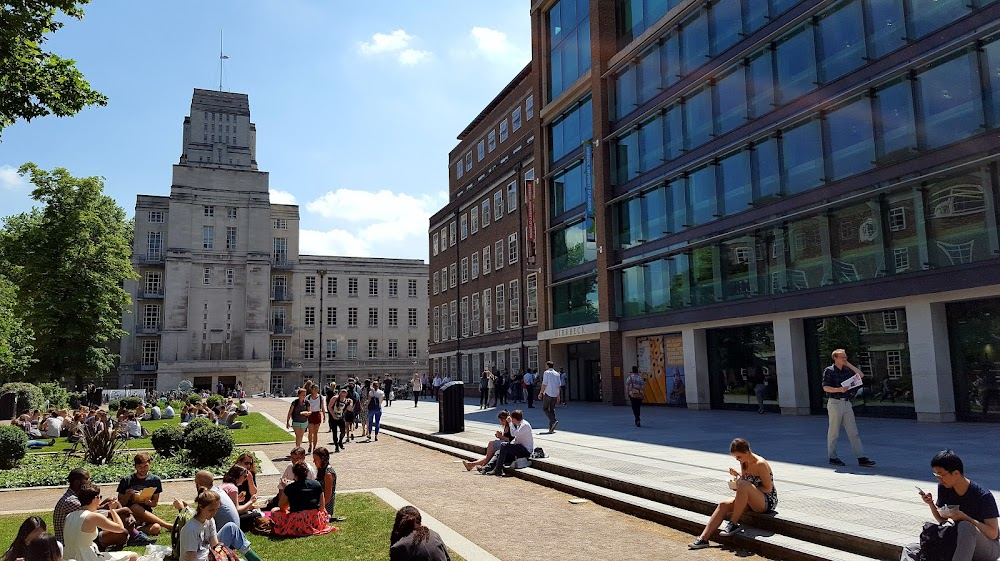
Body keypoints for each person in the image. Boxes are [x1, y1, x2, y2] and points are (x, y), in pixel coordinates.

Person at [689, 438, 778, 549]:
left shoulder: (760, 464)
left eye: (739, 456)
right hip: (752, 498)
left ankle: (733, 523)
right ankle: (703, 538)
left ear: (747, 452)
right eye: (735, 457)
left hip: (766, 501)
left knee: (743, 484)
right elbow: (746, 482)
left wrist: (745, 488)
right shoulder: (744, 462)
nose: (737, 459)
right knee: (723, 505)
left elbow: (768, 489)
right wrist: (739, 483)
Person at [916, 450, 999, 561]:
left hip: (989, 547)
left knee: (965, 526)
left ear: (956, 473)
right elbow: (942, 520)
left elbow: (993, 533)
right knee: (911, 549)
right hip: (960, 540)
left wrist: (966, 518)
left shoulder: (983, 496)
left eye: (941, 475)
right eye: (936, 475)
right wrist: (931, 504)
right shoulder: (944, 488)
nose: (939, 479)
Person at [172, 471, 262, 560]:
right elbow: (192, 558)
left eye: (216, 510)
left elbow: (215, 546)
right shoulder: (191, 529)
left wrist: (223, 557)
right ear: (201, 506)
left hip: (210, 556)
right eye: (211, 510)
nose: (214, 513)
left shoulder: (210, 520)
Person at [54, 468, 145, 549]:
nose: (90, 481)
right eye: (87, 479)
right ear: (77, 482)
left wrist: (108, 507)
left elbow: (92, 512)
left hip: (80, 536)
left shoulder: (76, 497)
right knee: (122, 532)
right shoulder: (71, 501)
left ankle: (133, 533)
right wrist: (118, 510)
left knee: (113, 503)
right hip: (75, 541)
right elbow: (93, 516)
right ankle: (134, 534)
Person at [821, 349, 875, 467]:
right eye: (842, 357)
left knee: (853, 432)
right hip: (835, 402)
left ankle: (861, 457)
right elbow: (826, 387)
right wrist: (839, 389)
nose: (845, 359)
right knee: (834, 431)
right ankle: (832, 456)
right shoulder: (829, 371)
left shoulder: (846, 370)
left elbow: (860, 375)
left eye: (845, 357)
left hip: (846, 403)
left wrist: (848, 364)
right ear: (835, 358)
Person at [64, 483, 138, 561]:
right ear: (96, 498)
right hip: (86, 557)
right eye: (100, 497)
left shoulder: (70, 515)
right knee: (133, 556)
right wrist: (112, 510)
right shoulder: (93, 516)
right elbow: (120, 528)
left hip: (68, 556)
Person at [271, 462, 337, 537]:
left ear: (294, 473)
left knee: (274, 511)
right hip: (315, 519)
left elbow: (282, 507)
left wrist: (285, 488)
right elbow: (322, 507)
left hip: (298, 520)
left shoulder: (290, 488)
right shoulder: (317, 484)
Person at [117, 452, 172, 534]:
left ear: (150, 464)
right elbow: (120, 504)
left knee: (156, 528)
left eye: (145, 466)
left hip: (146, 513)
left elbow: (155, 503)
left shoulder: (155, 480)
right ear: (135, 466)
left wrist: (149, 503)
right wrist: (127, 496)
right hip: (130, 514)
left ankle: (136, 530)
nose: (143, 469)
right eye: (140, 467)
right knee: (135, 507)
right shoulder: (126, 480)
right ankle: (167, 525)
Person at [487, 409, 533, 477]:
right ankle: (488, 467)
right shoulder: (519, 425)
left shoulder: (525, 425)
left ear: (514, 419)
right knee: (499, 451)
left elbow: (514, 434)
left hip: (525, 450)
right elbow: (516, 439)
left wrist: (510, 423)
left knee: (504, 445)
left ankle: (498, 469)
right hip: (519, 447)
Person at [219, 465, 260, 531]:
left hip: (221, 518)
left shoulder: (224, 485)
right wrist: (250, 502)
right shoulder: (233, 488)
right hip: (229, 520)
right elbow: (237, 510)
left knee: (247, 512)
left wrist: (237, 499)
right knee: (256, 515)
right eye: (245, 476)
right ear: (239, 476)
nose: (245, 479)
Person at [313, 447, 341, 520]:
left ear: (322, 459)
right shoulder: (321, 470)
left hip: (325, 507)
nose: (314, 461)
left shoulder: (328, 473)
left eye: (315, 459)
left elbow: (327, 498)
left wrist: (316, 507)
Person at [539, 361, 561, 433]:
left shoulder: (546, 373)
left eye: (546, 365)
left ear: (548, 366)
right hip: (555, 394)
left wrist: (541, 393)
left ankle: (553, 420)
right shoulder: (557, 374)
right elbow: (558, 386)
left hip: (548, 393)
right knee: (552, 409)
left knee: (545, 408)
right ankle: (551, 427)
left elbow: (544, 383)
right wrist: (558, 395)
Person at [306, 384, 325, 453]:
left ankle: (314, 446)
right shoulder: (308, 397)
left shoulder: (320, 397)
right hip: (310, 414)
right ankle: (310, 444)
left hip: (317, 414)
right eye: (314, 389)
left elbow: (322, 407)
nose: (316, 390)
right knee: (310, 431)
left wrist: (324, 415)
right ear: (311, 389)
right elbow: (305, 406)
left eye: (317, 389)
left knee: (316, 432)